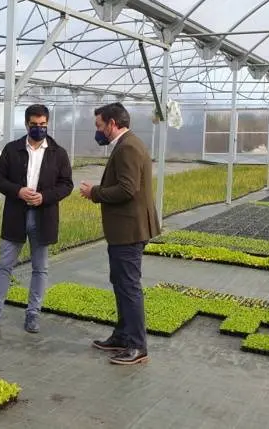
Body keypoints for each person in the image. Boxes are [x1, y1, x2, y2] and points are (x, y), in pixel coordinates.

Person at [0, 104, 73, 334]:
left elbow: (66, 185)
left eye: (43, 125)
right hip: (16, 214)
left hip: (43, 216)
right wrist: (18, 191)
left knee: (40, 268)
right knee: (4, 265)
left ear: (47, 124)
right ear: (26, 124)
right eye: (34, 125)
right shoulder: (12, 149)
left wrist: (44, 197)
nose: (39, 129)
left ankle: (33, 314)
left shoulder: (58, 153)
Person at [79, 102, 159, 365]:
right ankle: (123, 335)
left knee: (128, 286)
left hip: (129, 230)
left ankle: (137, 346)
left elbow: (127, 189)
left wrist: (95, 193)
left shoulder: (128, 148)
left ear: (112, 124)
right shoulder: (129, 144)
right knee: (121, 284)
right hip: (125, 229)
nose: (98, 131)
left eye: (99, 125)